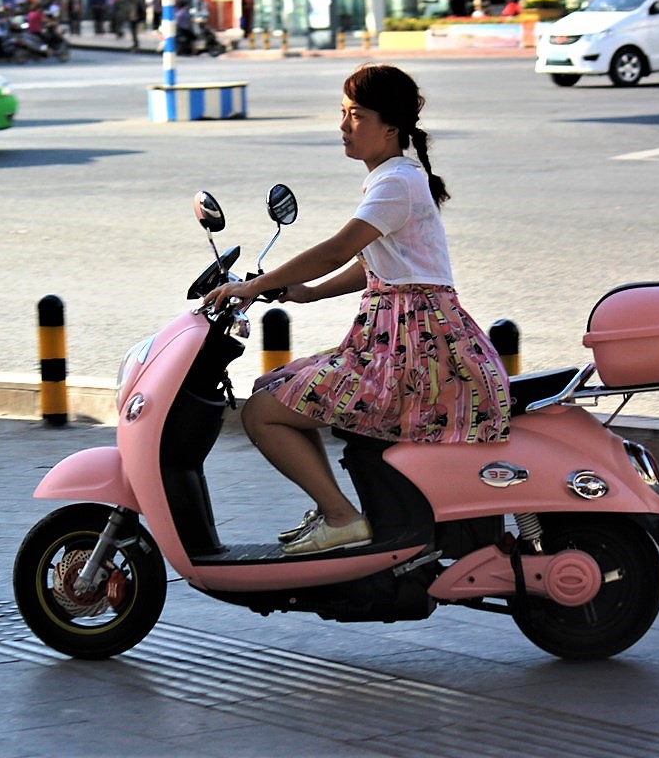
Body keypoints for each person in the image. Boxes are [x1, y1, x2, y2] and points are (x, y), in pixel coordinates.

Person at [202, 64, 511, 557]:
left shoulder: (396, 183)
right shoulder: (396, 178)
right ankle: (335, 513)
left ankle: (341, 517)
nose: (344, 126)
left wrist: (255, 285)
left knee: (263, 413)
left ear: (391, 127)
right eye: (343, 114)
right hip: (403, 337)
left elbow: (339, 249)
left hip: (413, 350)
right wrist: (309, 293)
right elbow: (384, 265)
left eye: (357, 116)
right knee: (272, 387)